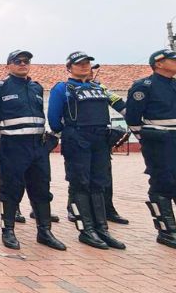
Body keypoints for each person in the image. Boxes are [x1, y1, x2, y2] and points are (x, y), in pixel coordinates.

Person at [0, 50, 65, 251]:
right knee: (11, 188)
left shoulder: (36, 87)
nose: (23, 64)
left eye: (26, 61)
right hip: (13, 146)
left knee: (41, 188)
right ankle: (8, 230)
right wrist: (3, 137)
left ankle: (44, 231)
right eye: (18, 61)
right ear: (8, 65)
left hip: (37, 146)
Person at [47, 52, 126, 250]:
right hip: (77, 139)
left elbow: (121, 107)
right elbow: (55, 120)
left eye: (87, 63)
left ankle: (102, 229)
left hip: (100, 140)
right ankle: (86, 229)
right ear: (69, 68)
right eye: (79, 64)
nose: (84, 66)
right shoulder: (62, 88)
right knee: (80, 184)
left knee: (99, 183)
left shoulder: (98, 88)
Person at [126, 49, 176, 251]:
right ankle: (166, 232)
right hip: (161, 142)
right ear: (159, 64)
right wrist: (147, 139)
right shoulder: (144, 86)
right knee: (163, 184)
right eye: (175, 60)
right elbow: (133, 119)